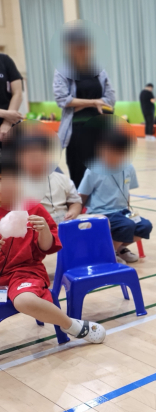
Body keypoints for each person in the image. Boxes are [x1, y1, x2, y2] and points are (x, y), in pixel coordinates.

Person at [0, 132, 105, 343]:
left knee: (24, 300)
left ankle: (73, 326)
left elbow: (47, 248)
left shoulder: (34, 209)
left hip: (24, 272)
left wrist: (44, 231)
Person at [77, 127, 152, 264]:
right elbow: (82, 194)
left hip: (122, 211)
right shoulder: (93, 170)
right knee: (126, 225)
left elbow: (126, 191)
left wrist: (129, 211)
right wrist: (79, 214)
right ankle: (107, 254)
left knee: (145, 226)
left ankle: (120, 249)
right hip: (100, 212)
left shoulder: (128, 168)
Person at [54, 26, 116, 188]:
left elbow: (110, 98)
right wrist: (93, 102)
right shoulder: (63, 71)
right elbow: (62, 99)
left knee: (102, 172)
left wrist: (80, 104)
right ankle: (80, 209)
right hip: (77, 130)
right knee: (79, 173)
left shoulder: (98, 70)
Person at [0, 53, 24, 143]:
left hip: (9, 122)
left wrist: (7, 123)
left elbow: (17, 93)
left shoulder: (5, 60)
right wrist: (5, 114)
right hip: (9, 115)